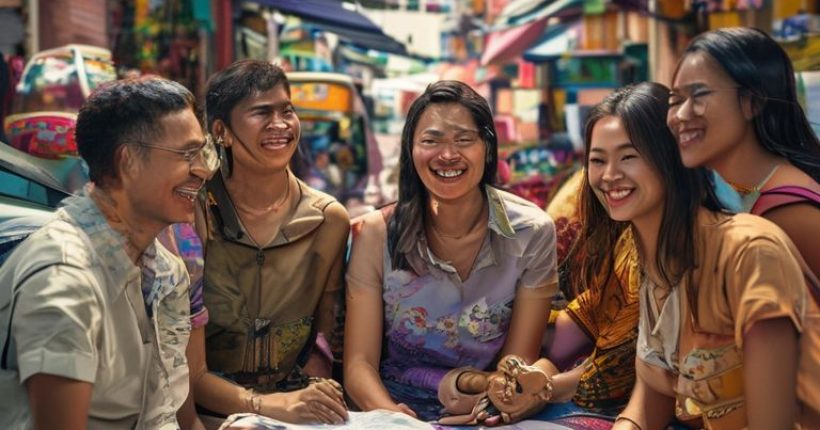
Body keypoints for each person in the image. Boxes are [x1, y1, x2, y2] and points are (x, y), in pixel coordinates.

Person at [573, 82, 820, 430]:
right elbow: (651, 396)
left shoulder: (747, 252)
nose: (609, 175)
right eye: (598, 160)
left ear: (672, 158)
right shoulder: (640, 254)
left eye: (629, 156)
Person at [0, 77, 219, 428]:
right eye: (187, 155)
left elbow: (166, 416)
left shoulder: (166, 271)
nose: (204, 169)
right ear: (128, 161)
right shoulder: (63, 276)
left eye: (203, 153)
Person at [344, 80, 558, 425]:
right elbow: (359, 365)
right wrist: (391, 417)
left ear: (487, 148)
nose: (447, 155)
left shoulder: (532, 232)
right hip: (391, 406)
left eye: (463, 140)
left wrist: (493, 404)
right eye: (431, 141)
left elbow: (517, 362)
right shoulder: (375, 233)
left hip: (486, 404)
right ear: (410, 150)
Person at [185, 59, 350, 426]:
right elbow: (183, 367)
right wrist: (262, 407)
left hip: (293, 411)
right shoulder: (196, 212)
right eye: (262, 113)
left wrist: (314, 396)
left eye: (287, 111)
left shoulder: (327, 219)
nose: (280, 125)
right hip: (204, 413)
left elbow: (325, 339)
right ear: (221, 131)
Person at [667, 27, 820, 278]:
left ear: (753, 102)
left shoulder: (786, 213)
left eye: (699, 94)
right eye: (675, 101)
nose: (681, 115)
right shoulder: (754, 193)